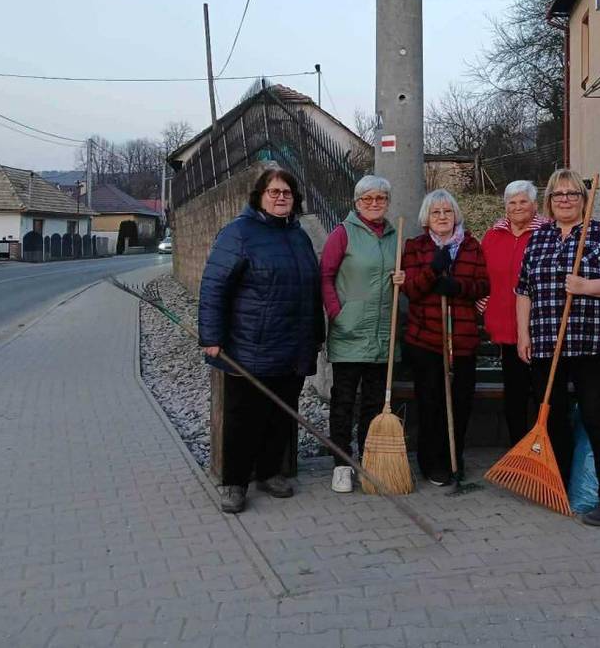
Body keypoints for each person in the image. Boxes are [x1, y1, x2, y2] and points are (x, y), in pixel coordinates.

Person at [198, 163, 323, 515]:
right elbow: (214, 286)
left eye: (287, 192)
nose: (281, 197)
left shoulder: (298, 235)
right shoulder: (239, 233)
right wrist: (212, 336)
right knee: (243, 417)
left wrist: (316, 335)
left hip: (292, 344)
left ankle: (269, 472)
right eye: (274, 192)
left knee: (280, 414)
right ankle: (234, 482)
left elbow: (309, 289)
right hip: (249, 343)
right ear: (260, 197)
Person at [516, 169, 600, 526]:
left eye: (572, 194)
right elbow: (523, 290)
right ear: (549, 202)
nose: (565, 199)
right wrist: (524, 335)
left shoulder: (599, 234)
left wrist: (587, 286)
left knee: (596, 416)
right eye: (557, 194)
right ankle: (559, 485)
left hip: (589, 341)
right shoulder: (538, 239)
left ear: (584, 199)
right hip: (547, 341)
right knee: (553, 417)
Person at [478, 181, 600, 446]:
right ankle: (521, 454)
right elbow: (481, 273)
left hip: (548, 331)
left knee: (552, 402)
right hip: (511, 330)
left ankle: (548, 454)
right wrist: (480, 298)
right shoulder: (493, 235)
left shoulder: (544, 232)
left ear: (535, 205)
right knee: (516, 397)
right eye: (512, 202)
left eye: (523, 202)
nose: (517, 207)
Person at [321, 175, 404, 494]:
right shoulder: (342, 234)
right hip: (350, 331)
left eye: (380, 198)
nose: (373, 204)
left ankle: (370, 462)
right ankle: (341, 464)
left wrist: (402, 279)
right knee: (343, 401)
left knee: (374, 402)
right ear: (356, 203)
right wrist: (337, 313)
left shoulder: (395, 235)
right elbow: (326, 276)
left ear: (387, 202)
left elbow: (397, 277)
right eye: (367, 199)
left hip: (383, 332)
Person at [401, 189, 489, 485]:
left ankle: (454, 455)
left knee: (460, 404)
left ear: (455, 216)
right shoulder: (415, 247)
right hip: (425, 341)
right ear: (427, 217)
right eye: (436, 212)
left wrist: (457, 286)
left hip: (461, 341)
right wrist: (432, 272)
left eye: (447, 212)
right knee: (431, 403)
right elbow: (410, 289)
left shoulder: (471, 247)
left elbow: (482, 284)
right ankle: (432, 461)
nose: (442, 217)